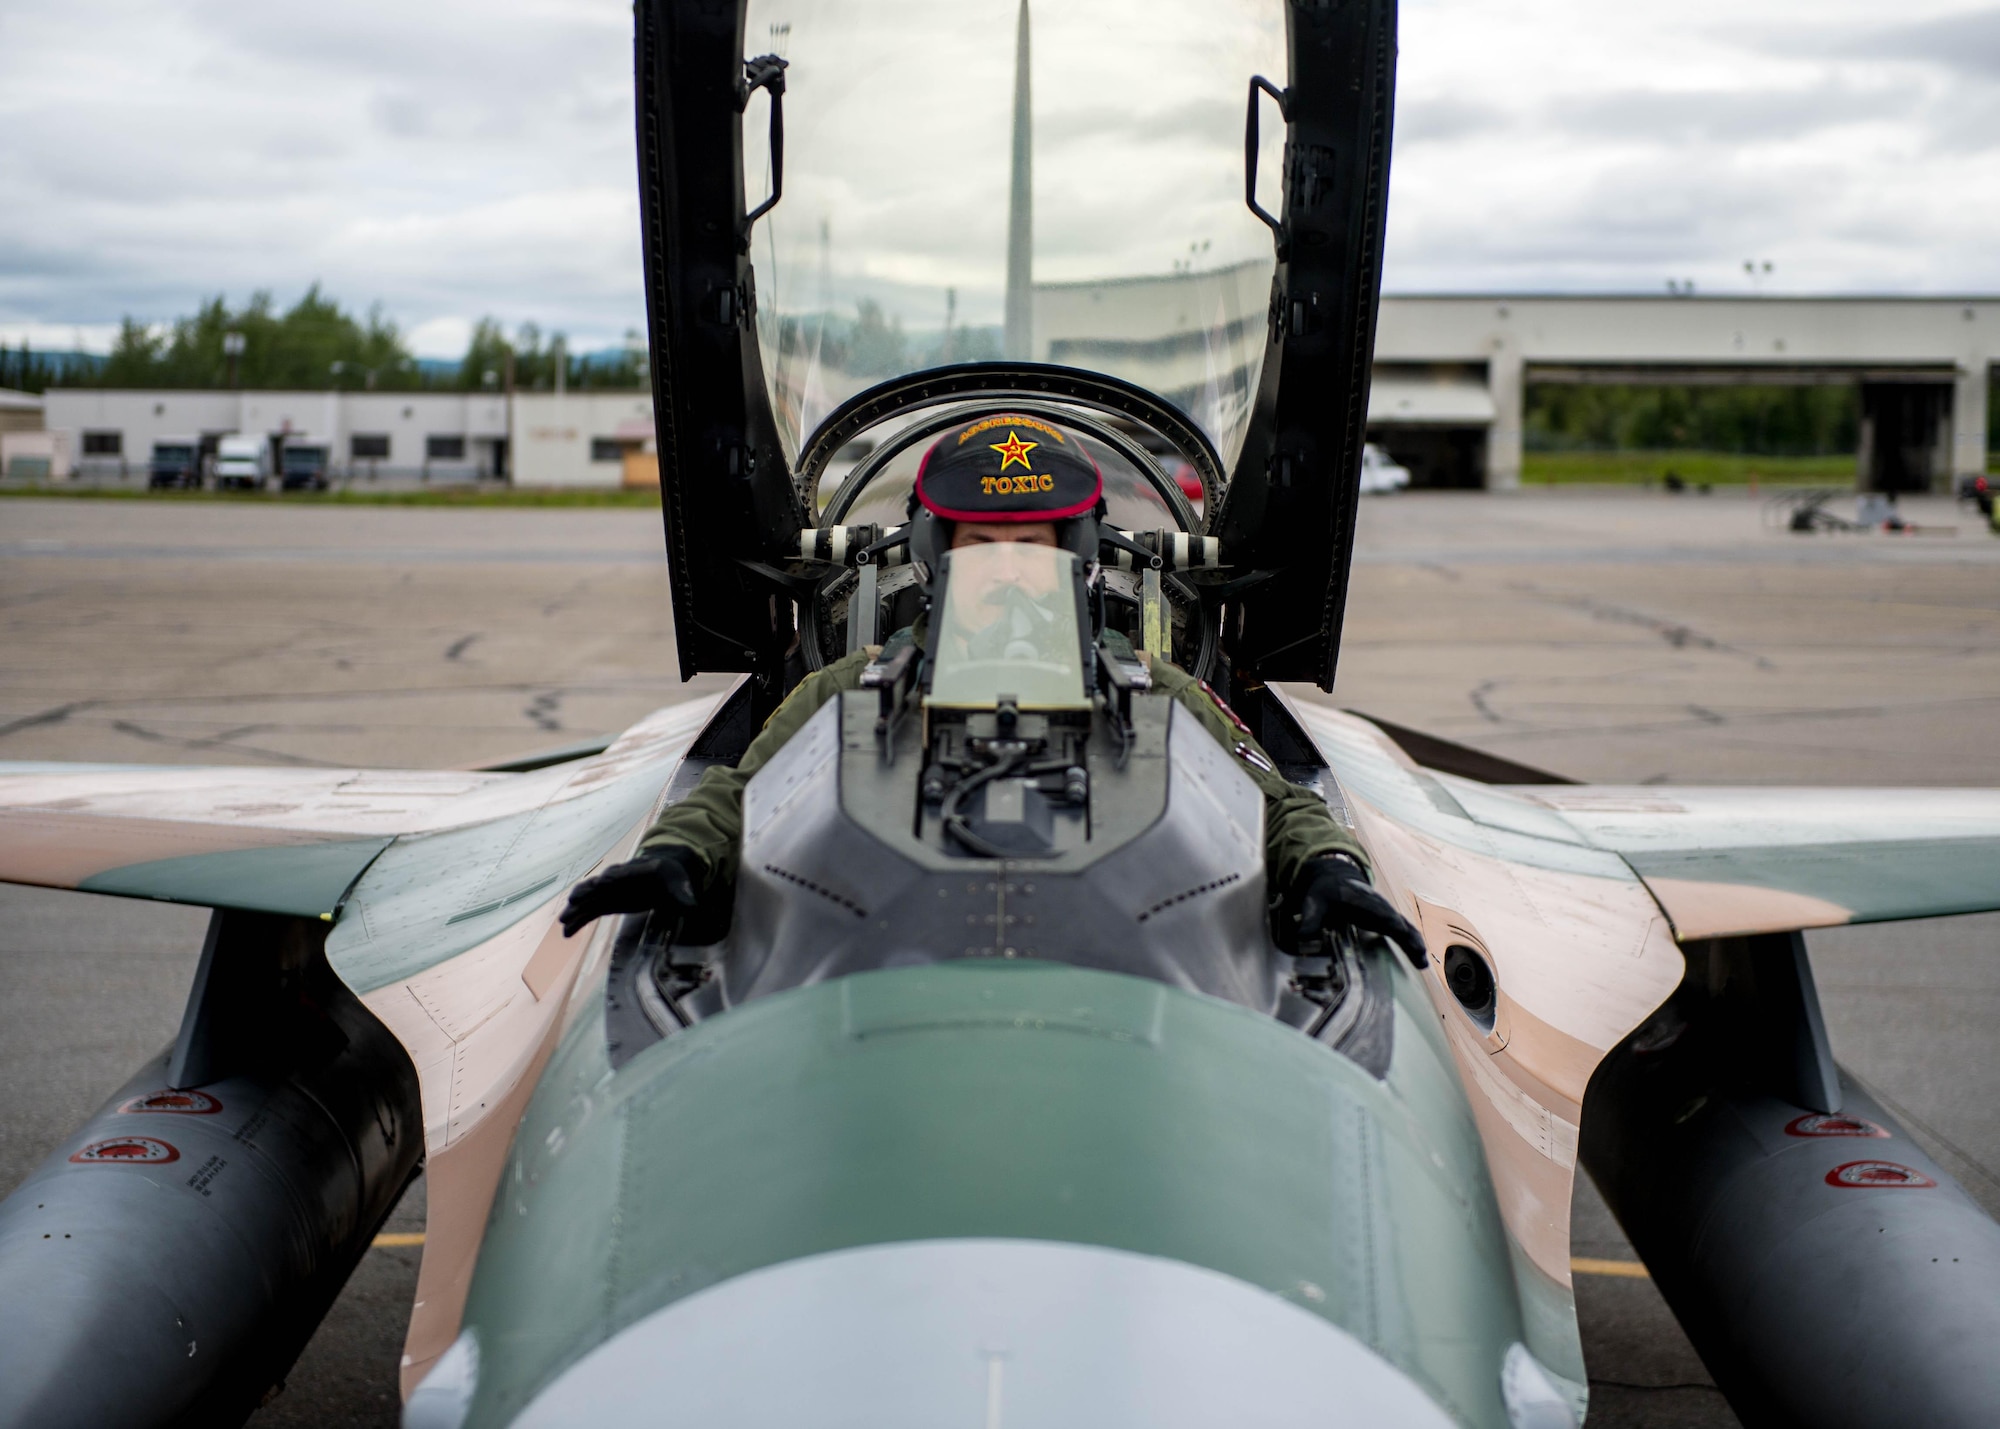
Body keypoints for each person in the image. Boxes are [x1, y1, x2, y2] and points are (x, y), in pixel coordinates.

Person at [561, 413, 1425, 967]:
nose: (1010, 568)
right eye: (983, 542)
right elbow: (737, 790)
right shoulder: (847, 684)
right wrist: (678, 855)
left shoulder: (1154, 686)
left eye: (1035, 543)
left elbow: (1276, 799)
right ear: (938, 555)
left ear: (1079, 554)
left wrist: (1325, 867)